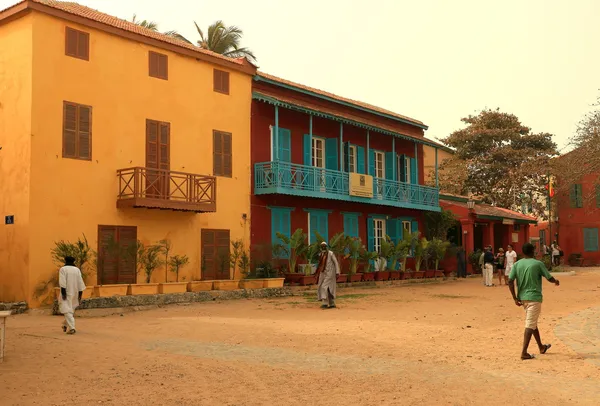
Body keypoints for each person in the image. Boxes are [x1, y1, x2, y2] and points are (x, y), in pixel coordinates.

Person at [508, 243, 560, 360]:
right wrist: (556, 281)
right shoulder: (538, 264)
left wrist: (515, 298)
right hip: (534, 298)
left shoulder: (517, 264)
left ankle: (541, 347)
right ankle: (524, 353)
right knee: (530, 325)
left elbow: (510, 281)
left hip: (523, 299)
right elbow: (549, 277)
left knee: (533, 322)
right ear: (532, 251)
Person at [58, 256, 86, 334]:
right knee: (70, 310)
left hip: (66, 292)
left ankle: (72, 328)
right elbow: (80, 282)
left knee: (66, 310)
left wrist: (63, 294)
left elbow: (62, 283)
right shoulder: (77, 270)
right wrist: (80, 294)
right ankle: (65, 325)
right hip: (75, 293)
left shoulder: (63, 269)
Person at [314, 242, 340, 309]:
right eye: (322, 246)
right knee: (327, 288)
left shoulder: (331, 253)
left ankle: (325, 303)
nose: (323, 247)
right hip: (323, 272)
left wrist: (337, 272)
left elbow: (336, 262)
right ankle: (332, 303)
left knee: (324, 286)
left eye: (324, 246)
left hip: (330, 273)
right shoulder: (321, 254)